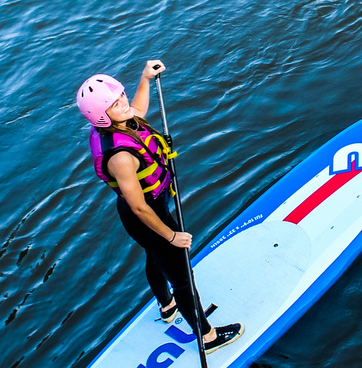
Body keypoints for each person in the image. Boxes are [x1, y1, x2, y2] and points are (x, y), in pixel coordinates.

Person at [76, 60, 242, 351]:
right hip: (146, 216)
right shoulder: (121, 158)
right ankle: (207, 337)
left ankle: (167, 306)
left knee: (155, 258)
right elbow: (139, 208)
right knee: (182, 278)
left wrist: (145, 79)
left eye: (121, 96)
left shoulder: (120, 121)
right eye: (114, 105)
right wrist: (171, 235)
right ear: (101, 117)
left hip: (153, 208)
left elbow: (136, 111)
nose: (124, 104)